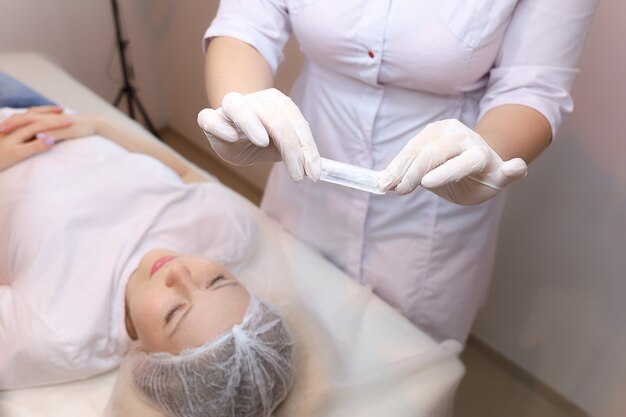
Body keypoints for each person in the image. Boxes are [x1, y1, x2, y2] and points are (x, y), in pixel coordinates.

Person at [197, 0, 598, 342]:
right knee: (289, 331)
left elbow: (532, 87)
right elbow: (246, 23)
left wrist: (489, 149)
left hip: (437, 202)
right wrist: (243, 107)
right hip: (309, 175)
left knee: (407, 362)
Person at [0, 107, 296, 417]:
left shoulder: (59, 333)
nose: (179, 271)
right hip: (54, 114)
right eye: (216, 280)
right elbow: (184, 172)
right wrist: (96, 126)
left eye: (174, 312)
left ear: (147, 361)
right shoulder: (228, 229)